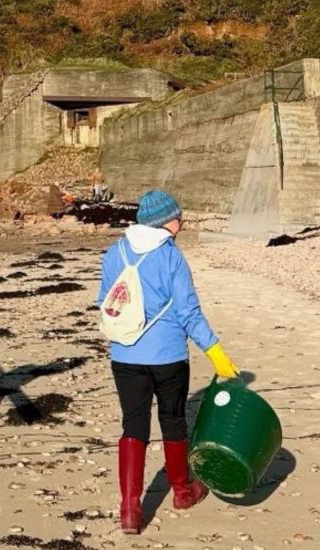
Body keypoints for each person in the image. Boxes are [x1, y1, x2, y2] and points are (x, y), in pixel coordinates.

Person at [97, 190, 240, 534]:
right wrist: (216, 352)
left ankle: (130, 510)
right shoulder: (172, 257)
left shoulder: (114, 252)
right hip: (168, 357)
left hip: (125, 355)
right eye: (179, 217)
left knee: (133, 425)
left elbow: (104, 301)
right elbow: (188, 312)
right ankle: (181, 491)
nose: (183, 222)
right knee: (173, 421)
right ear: (165, 221)